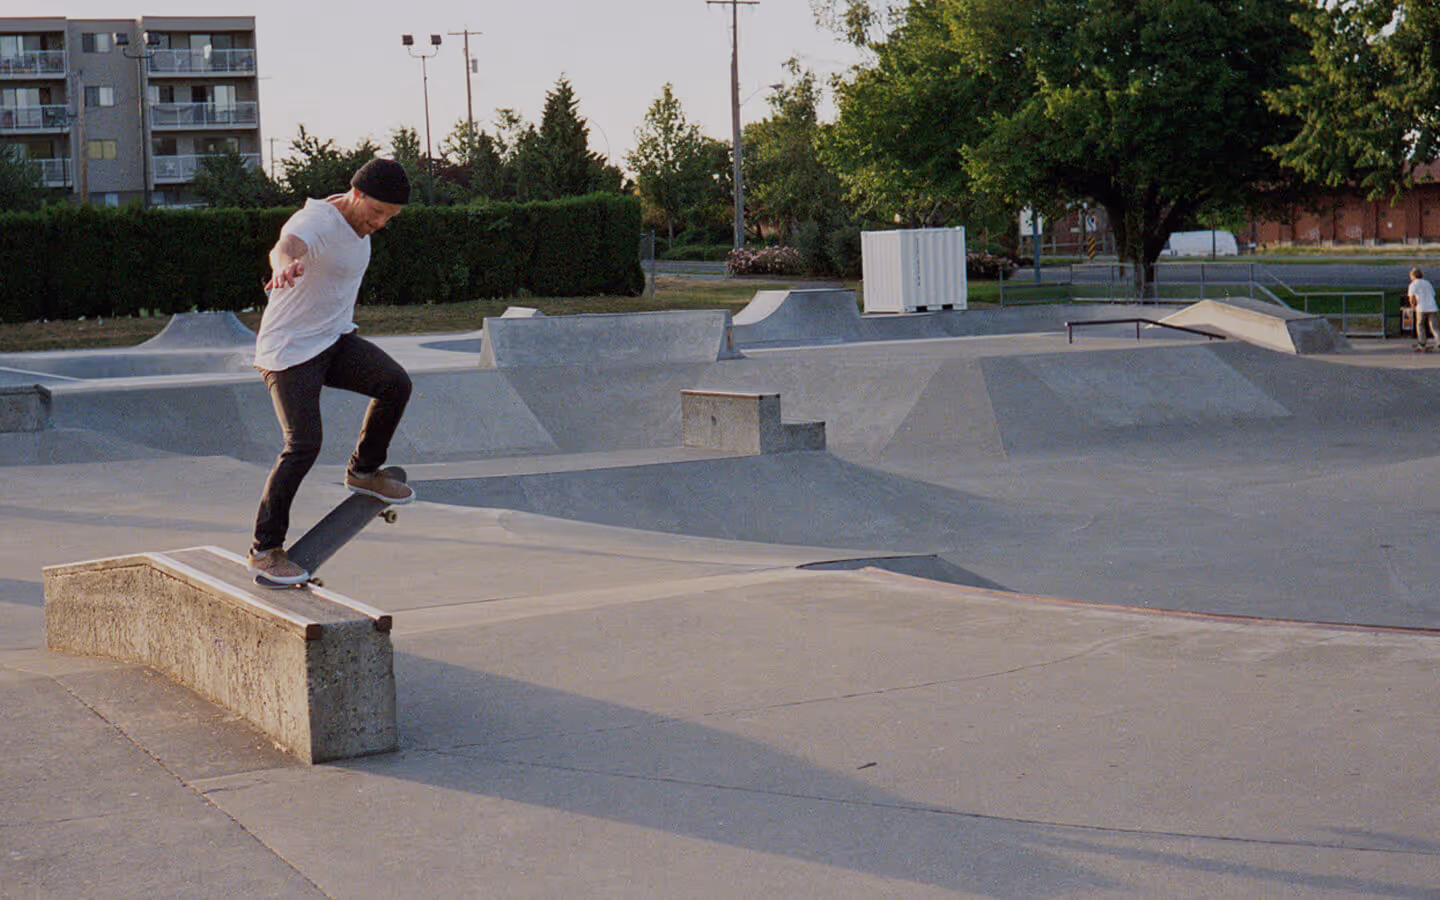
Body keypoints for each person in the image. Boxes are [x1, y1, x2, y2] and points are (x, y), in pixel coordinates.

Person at [248, 157, 416, 585]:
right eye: (376, 211)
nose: (379, 223)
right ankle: (265, 550)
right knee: (303, 444)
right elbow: (288, 243)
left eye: (390, 217)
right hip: (289, 351)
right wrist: (284, 265)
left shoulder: (361, 225)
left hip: (333, 340)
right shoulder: (317, 220)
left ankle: (363, 472)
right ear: (355, 194)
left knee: (395, 384)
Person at [1410, 267, 1439, 353]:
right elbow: (1433, 294)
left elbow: (1412, 298)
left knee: (1420, 325)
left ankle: (1422, 343)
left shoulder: (1413, 284)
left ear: (1413, 276)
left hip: (1421, 307)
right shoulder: (1427, 283)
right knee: (1434, 327)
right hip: (1432, 307)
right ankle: (1438, 341)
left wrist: (1413, 307)